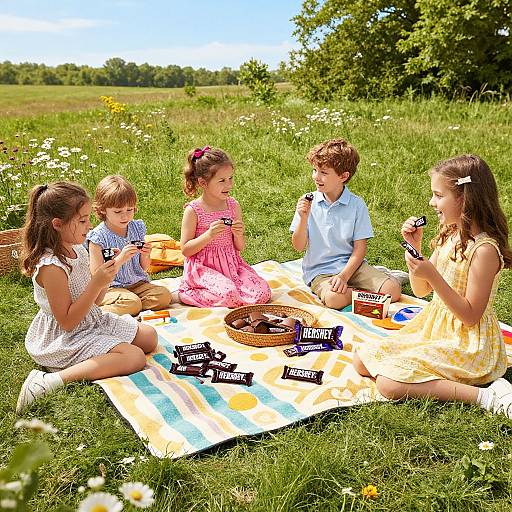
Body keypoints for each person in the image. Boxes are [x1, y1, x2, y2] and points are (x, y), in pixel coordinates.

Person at [353, 155, 512, 418]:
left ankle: (488, 396)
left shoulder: (484, 250)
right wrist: (414, 252)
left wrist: (434, 276)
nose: (431, 202)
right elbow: (420, 290)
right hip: (436, 328)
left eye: (438, 195)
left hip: (467, 342)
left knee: (389, 384)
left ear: (464, 198)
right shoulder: (450, 233)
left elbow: (471, 315)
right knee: (362, 359)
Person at [17, 182, 157, 414]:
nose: (89, 225)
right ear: (57, 225)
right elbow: (68, 321)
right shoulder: (52, 266)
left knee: (149, 337)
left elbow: (96, 301)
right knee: (134, 357)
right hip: (65, 336)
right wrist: (96, 283)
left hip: (91, 319)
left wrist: (110, 273)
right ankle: (48, 382)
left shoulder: (77, 248)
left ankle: (102, 349)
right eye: (82, 220)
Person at [290, 138, 401, 309]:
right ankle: (360, 291)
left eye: (324, 173)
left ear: (343, 176)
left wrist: (343, 276)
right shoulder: (307, 202)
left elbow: (360, 249)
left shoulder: (357, 205)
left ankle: (358, 288)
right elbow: (298, 246)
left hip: (352, 268)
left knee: (393, 290)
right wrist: (303, 217)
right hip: (320, 272)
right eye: (314, 170)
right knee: (334, 299)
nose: (316, 177)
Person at [178, 146, 271, 308]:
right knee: (229, 294)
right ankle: (188, 292)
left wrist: (238, 234)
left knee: (263, 292)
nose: (229, 185)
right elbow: (185, 250)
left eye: (230, 178)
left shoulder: (233, 206)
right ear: (203, 183)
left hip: (232, 266)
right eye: (222, 181)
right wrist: (208, 235)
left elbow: (240, 247)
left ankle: (235, 295)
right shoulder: (193, 211)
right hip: (203, 269)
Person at [86, 175, 171, 316]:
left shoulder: (136, 228)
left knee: (164, 296)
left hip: (137, 285)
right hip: (109, 289)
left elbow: (144, 268)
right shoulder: (98, 237)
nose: (124, 216)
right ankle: (96, 314)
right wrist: (120, 260)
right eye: (118, 212)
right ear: (102, 210)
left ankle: (131, 306)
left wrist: (145, 254)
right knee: (131, 303)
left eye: (129, 210)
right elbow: (96, 275)